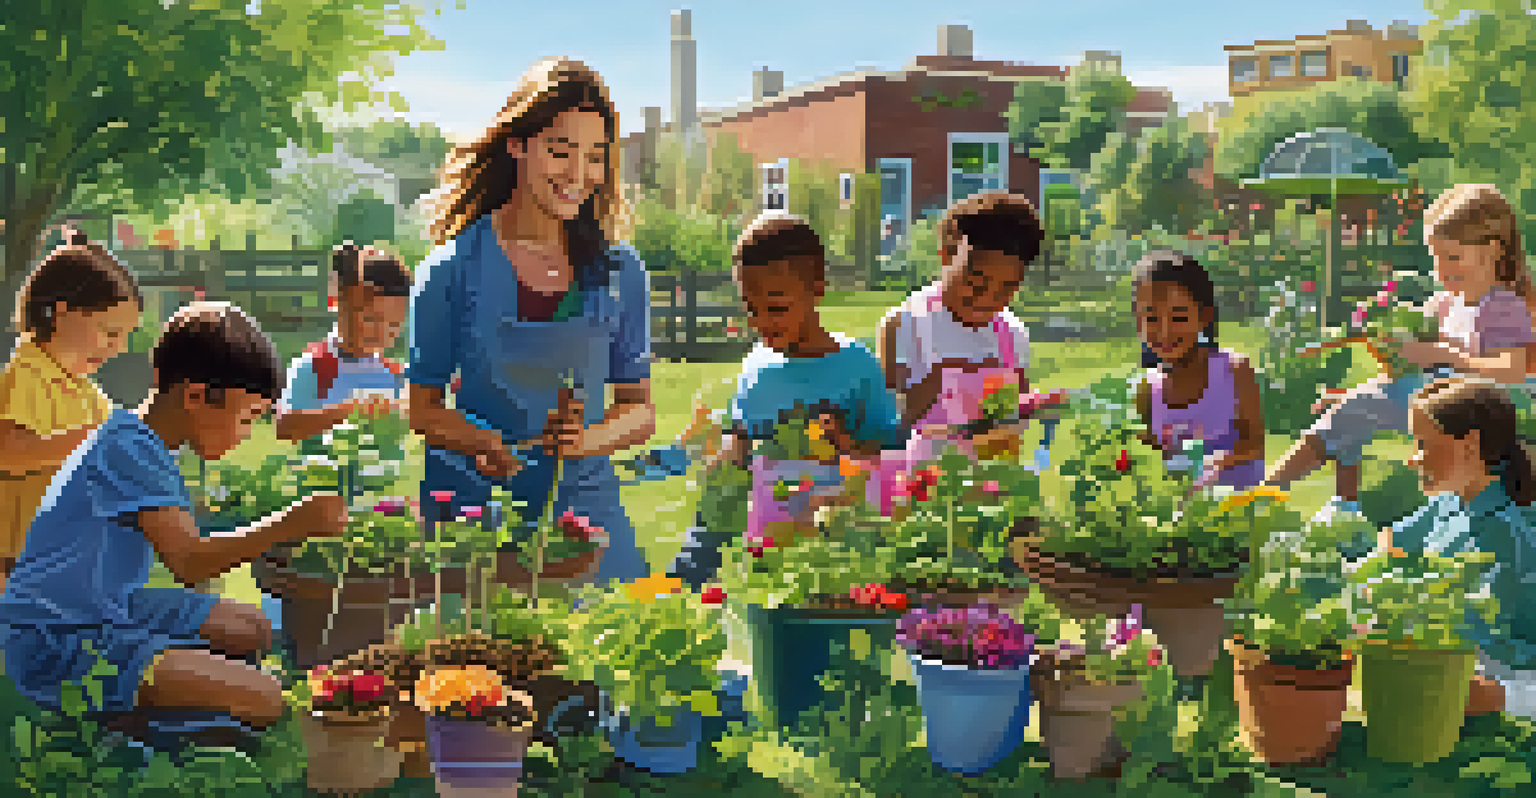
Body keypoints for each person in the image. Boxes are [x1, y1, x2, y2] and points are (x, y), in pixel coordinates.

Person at [0, 302, 349, 730]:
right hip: (58, 637)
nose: (245, 434)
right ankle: (120, 725)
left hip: (108, 601)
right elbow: (189, 563)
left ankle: (171, 684)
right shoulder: (129, 450)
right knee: (266, 698)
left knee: (251, 626)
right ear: (195, 396)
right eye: (246, 418)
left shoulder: (140, 440)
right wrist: (292, 523)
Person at [407, 57, 653, 585]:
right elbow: (424, 409)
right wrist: (481, 441)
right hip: (477, 514)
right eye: (560, 151)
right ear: (518, 143)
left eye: (595, 157)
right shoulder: (451, 270)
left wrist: (584, 440)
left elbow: (639, 410)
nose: (578, 175)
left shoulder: (619, 271)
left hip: (584, 510)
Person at [1267, 184, 1535, 524]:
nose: (1442, 270)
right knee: (1351, 409)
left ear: (1493, 250)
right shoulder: (1447, 304)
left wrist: (1443, 353)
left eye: (1453, 257)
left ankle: (1272, 491)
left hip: (1483, 409)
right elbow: (1416, 370)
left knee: (1359, 409)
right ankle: (1342, 507)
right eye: (1436, 258)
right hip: (1448, 401)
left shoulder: (1502, 305)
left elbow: (1512, 370)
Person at [668, 214, 906, 585]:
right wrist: (728, 451)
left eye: (776, 308)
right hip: (767, 533)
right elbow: (741, 439)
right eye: (751, 309)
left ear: (817, 288)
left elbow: (888, 452)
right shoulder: (756, 363)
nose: (762, 323)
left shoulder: (857, 366)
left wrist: (845, 444)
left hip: (835, 537)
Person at [1378, 377, 1536, 719]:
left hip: (1514, 673)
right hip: (1461, 655)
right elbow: (1389, 544)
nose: (1413, 459)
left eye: (1423, 444)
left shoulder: (1510, 529)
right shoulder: (1449, 504)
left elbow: (1493, 632)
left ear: (1470, 445)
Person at [1, 232, 143, 591]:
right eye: (109, 332)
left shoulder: (85, 390)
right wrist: (95, 438)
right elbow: (9, 451)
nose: (117, 348)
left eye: (124, 337)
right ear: (61, 312)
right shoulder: (28, 374)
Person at [875, 191, 1041, 475]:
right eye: (976, 282)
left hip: (993, 480)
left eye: (1006, 288)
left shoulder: (1012, 334)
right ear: (947, 255)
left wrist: (1033, 405)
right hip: (922, 483)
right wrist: (939, 379)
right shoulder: (906, 324)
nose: (987, 298)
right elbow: (888, 424)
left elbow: (1018, 416)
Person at [1131, 250, 1266, 490]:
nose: (1164, 332)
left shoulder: (1234, 371)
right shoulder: (1147, 389)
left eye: (1178, 318)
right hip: (1179, 510)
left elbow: (1255, 444)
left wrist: (1214, 462)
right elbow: (1151, 457)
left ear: (1205, 316)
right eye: (1151, 319)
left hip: (1237, 506)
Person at [274, 243, 410, 445]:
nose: (382, 332)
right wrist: (353, 410)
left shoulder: (397, 375)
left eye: (394, 324)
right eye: (371, 319)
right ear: (339, 301)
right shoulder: (314, 367)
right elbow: (285, 427)